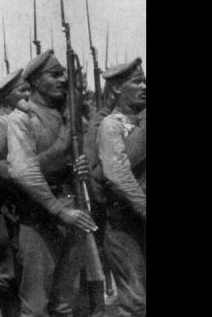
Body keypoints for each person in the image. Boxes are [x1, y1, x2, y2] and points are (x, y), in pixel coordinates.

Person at [6, 49, 96, 316]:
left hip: (73, 212)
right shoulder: (22, 118)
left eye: (64, 74)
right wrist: (59, 210)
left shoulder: (69, 115)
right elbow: (23, 172)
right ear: (34, 81)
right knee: (36, 305)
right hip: (39, 218)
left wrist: (82, 168)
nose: (63, 80)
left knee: (66, 301)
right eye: (55, 75)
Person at [96, 58, 146, 317]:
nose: (144, 86)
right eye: (136, 81)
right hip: (124, 221)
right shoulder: (111, 125)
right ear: (116, 89)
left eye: (144, 80)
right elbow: (117, 174)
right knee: (135, 302)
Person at [0, 68, 30, 317]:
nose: (28, 96)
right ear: (8, 96)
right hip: (5, 205)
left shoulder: (29, 119)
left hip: (29, 203)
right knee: (9, 271)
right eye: (22, 91)